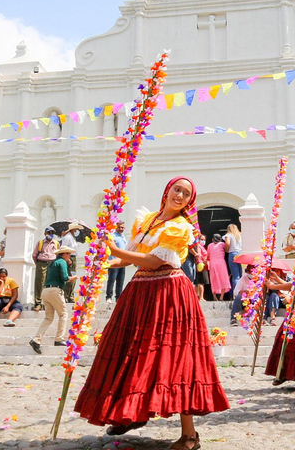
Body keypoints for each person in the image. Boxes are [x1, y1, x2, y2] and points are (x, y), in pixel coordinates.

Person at [74, 176, 230, 446]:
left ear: (189, 202)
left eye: (186, 194)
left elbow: (155, 260)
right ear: (167, 191)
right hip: (140, 291)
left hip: (169, 293)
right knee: (131, 352)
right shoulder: (147, 221)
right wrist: (101, 263)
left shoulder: (180, 227)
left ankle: (189, 434)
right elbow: (129, 257)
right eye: (176, 189)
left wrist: (113, 247)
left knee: (177, 357)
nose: (179, 195)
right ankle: (130, 413)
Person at [29, 247, 77, 353]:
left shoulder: (53, 263)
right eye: (68, 253)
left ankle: (36, 339)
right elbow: (65, 278)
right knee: (63, 314)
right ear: (64, 254)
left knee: (48, 318)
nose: (69, 255)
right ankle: (59, 338)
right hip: (55, 290)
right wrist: (74, 277)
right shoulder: (62, 262)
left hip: (46, 291)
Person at [32, 226, 58, 310]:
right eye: (49, 232)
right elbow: (34, 255)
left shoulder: (56, 243)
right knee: (40, 282)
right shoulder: (40, 243)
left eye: (52, 233)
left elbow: (59, 254)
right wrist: (38, 263)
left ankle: (51, 303)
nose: (50, 234)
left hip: (52, 263)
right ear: (45, 233)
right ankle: (38, 303)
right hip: (42, 262)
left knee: (52, 283)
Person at [106, 221, 128, 304]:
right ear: (116, 227)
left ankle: (118, 297)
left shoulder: (123, 237)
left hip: (122, 261)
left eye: (123, 228)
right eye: (120, 227)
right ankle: (109, 296)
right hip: (113, 261)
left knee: (120, 280)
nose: (121, 229)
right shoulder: (112, 236)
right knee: (112, 279)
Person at [207, 234, 231, 301]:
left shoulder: (209, 245)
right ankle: (221, 297)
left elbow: (208, 256)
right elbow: (227, 249)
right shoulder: (222, 244)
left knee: (213, 279)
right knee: (223, 279)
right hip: (221, 263)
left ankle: (214, 297)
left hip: (212, 263)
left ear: (212, 239)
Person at [224, 224, 243, 291]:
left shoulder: (228, 235)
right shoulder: (240, 235)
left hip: (233, 253)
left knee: (235, 276)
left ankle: (236, 292)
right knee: (240, 275)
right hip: (240, 254)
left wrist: (226, 249)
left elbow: (227, 243)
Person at [193, 235, 209, 300]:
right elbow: (199, 254)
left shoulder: (202, 247)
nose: (203, 241)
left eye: (204, 240)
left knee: (198, 282)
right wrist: (202, 261)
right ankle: (201, 297)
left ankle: (197, 297)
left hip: (201, 265)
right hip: (201, 265)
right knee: (201, 282)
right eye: (202, 239)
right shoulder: (199, 246)